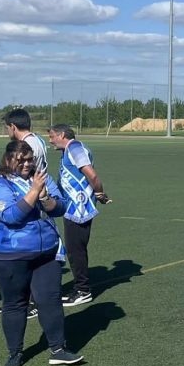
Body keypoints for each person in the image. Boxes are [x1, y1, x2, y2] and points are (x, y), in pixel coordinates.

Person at [0, 141, 83, 366]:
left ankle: (58, 349)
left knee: (50, 299)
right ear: (9, 160)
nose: (27, 164)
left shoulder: (42, 179)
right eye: (21, 160)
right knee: (15, 303)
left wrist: (47, 199)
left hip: (46, 253)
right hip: (9, 255)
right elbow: (12, 216)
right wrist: (33, 193)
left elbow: (61, 207)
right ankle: (14, 353)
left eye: (30, 159)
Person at [46, 124, 109, 308]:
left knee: (76, 250)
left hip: (78, 208)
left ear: (62, 135)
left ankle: (83, 290)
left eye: (52, 136)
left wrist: (99, 193)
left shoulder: (74, 148)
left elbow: (92, 175)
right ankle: (80, 288)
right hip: (73, 207)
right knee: (75, 249)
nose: (50, 140)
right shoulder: (70, 150)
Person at [5, 108, 48, 172]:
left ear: (12, 126)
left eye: (7, 128)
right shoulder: (39, 139)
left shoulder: (26, 144)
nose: (7, 131)